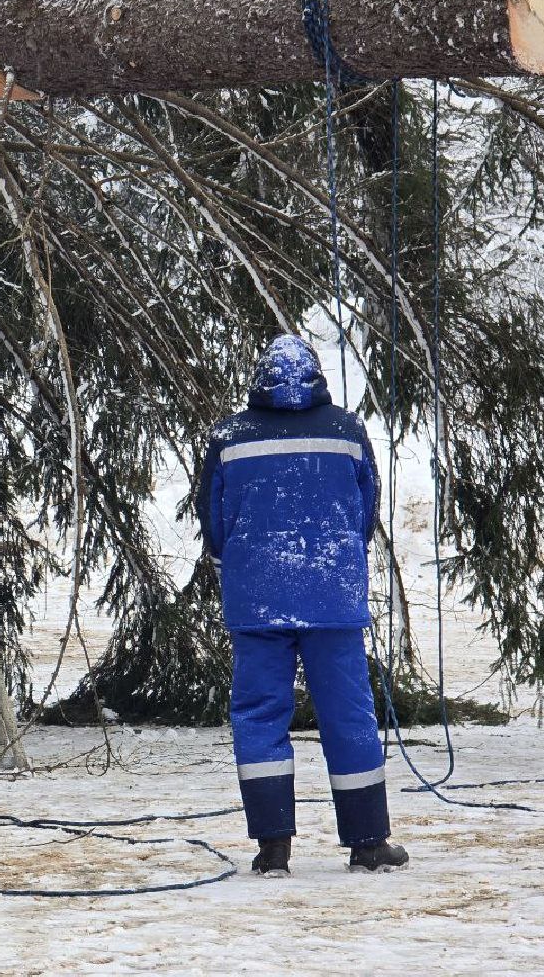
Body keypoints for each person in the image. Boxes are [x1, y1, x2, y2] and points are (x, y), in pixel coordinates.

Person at [196, 334, 410, 876]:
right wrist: (338, 557)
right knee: (348, 716)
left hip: (257, 599)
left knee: (259, 717)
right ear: (317, 377)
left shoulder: (228, 436)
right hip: (331, 597)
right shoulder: (347, 430)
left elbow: (214, 524)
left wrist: (236, 571)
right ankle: (367, 842)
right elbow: (366, 512)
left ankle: (273, 849)